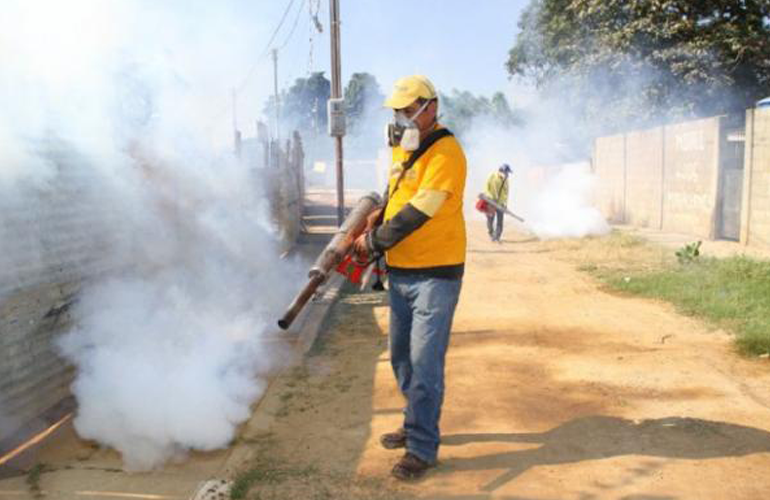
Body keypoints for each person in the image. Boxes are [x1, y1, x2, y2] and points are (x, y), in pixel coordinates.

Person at [353, 75, 466, 481]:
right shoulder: (405, 148)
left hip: (436, 274)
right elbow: (397, 193)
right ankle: (414, 418)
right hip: (402, 272)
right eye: (398, 110)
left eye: (407, 109)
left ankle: (421, 447)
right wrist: (378, 213)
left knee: (425, 362)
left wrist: (375, 240)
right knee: (401, 356)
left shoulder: (448, 153)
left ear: (430, 106)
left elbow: (421, 209)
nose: (401, 116)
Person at [484, 163, 512, 242]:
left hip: (500, 204)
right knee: (490, 219)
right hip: (491, 201)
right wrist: (489, 196)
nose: (507, 175)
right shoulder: (492, 176)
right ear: (502, 171)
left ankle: (496, 237)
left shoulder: (506, 181)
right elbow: (486, 187)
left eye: (508, 173)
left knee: (500, 221)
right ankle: (491, 233)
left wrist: (505, 204)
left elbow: (506, 193)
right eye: (507, 172)